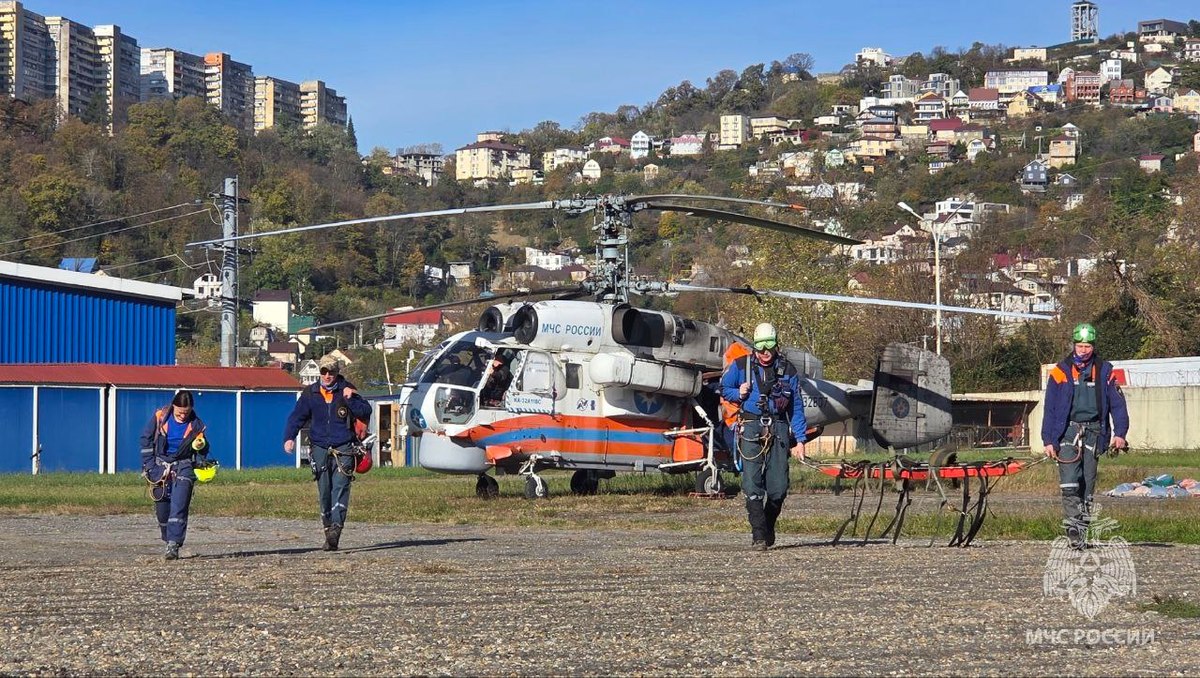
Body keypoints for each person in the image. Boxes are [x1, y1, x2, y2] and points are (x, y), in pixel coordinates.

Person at [1041, 323, 1129, 550]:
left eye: (1087, 346)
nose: (1083, 350)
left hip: (1094, 433)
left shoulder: (1106, 371)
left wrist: (1120, 433)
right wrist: (1048, 440)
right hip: (1067, 433)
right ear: (1074, 345)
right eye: (1079, 345)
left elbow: (1118, 405)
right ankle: (1073, 528)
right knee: (1070, 483)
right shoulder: (1060, 371)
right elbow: (1049, 408)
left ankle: (1081, 532)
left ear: (1093, 346)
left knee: (1087, 487)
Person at [721, 322, 807, 551]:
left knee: (778, 487)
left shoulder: (788, 370)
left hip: (778, 428)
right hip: (750, 426)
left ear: (776, 344)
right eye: (760, 347)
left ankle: (768, 525)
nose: (765, 352)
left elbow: (796, 407)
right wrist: (737, 393)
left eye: (769, 346)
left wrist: (800, 440)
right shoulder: (740, 366)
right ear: (754, 347)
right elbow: (723, 388)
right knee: (751, 483)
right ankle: (758, 535)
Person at [283, 355, 372, 552]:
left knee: (340, 489)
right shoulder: (310, 393)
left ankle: (336, 530)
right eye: (324, 372)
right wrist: (289, 438)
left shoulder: (347, 390)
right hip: (320, 449)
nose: (327, 375)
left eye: (331, 372)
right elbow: (297, 417)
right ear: (320, 373)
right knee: (324, 492)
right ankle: (327, 531)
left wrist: (351, 399)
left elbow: (366, 411)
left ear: (337, 372)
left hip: (344, 449)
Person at [140, 390, 209, 561]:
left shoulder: (197, 425)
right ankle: (167, 537)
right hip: (159, 466)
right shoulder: (159, 417)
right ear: (173, 407)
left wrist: (201, 446)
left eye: (186, 413)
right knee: (162, 509)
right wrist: (149, 465)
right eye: (179, 412)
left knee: (179, 506)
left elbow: (204, 451)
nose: (182, 416)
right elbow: (145, 440)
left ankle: (173, 544)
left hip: (184, 466)